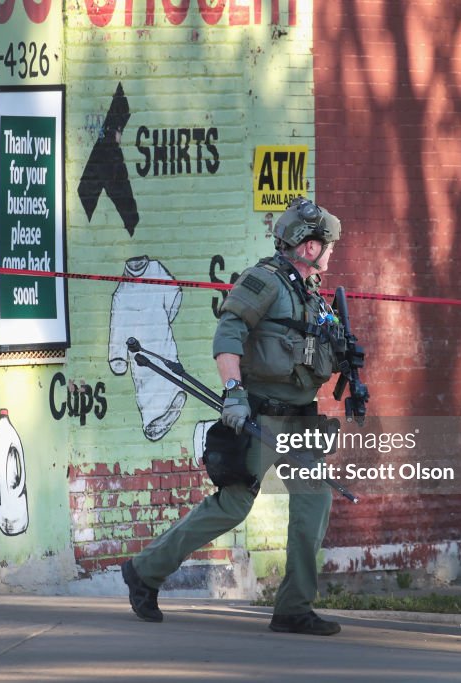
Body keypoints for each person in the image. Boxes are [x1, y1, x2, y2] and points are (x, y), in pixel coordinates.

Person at [122, 197, 344, 636]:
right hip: (259, 416)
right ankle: (144, 572)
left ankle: (294, 608)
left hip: (300, 418)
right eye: (327, 243)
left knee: (314, 501)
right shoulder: (264, 281)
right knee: (232, 506)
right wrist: (233, 393)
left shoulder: (311, 293)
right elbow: (229, 332)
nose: (332, 251)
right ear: (308, 246)